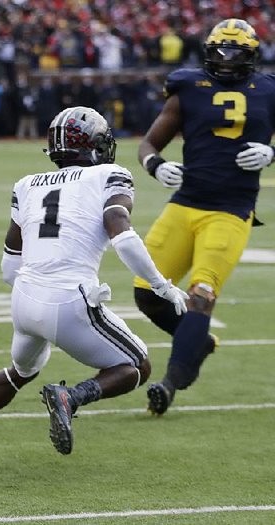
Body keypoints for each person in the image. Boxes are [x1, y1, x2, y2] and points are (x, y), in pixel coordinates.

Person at [0, 106, 188, 461]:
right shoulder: (110, 174)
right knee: (137, 366)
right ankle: (73, 397)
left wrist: (37, 296)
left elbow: (9, 266)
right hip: (69, 300)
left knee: (20, 372)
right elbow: (123, 237)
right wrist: (162, 285)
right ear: (95, 147)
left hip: (24, 299)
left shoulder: (26, 185)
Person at [135, 18, 275, 415]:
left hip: (231, 209)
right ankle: (199, 342)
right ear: (208, 53)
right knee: (147, 293)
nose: (228, 61)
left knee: (201, 294)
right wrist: (155, 166)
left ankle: (170, 383)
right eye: (221, 52)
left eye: (237, 53)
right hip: (185, 202)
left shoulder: (269, 89)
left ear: (252, 57)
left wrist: (272, 152)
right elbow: (149, 141)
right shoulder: (188, 88)